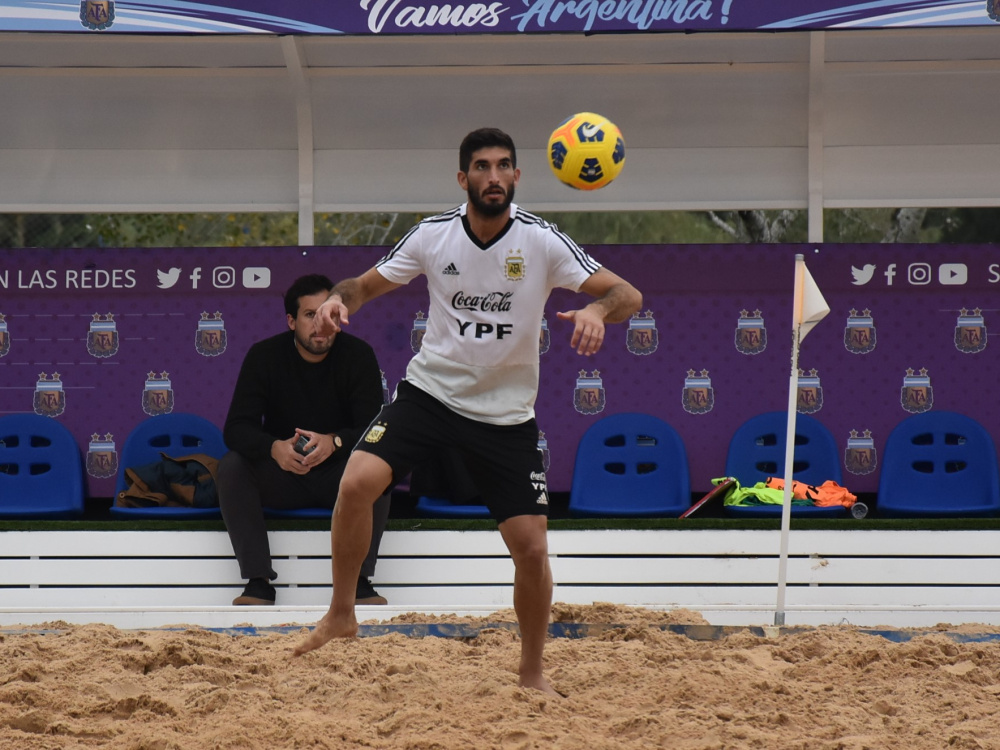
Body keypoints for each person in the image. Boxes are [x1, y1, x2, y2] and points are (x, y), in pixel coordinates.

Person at [292, 127, 642, 696]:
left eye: (504, 166)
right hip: (431, 394)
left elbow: (628, 294)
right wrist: (337, 298)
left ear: (517, 177)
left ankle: (532, 673)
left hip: (505, 414)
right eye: (482, 166)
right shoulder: (434, 235)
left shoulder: (542, 241)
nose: (494, 176)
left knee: (530, 548)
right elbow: (362, 285)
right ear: (464, 179)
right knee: (356, 482)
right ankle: (341, 613)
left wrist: (599, 312)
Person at [218, 273, 390, 607]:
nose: (320, 324)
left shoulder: (359, 355)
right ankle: (258, 583)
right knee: (232, 466)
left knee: (378, 467)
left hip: (339, 477)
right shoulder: (264, 356)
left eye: (327, 313)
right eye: (310, 315)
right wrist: (274, 448)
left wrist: (334, 442)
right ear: (291, 321)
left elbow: (374, 429)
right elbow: (236, 428)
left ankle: (359, 582)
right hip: (284, 473)